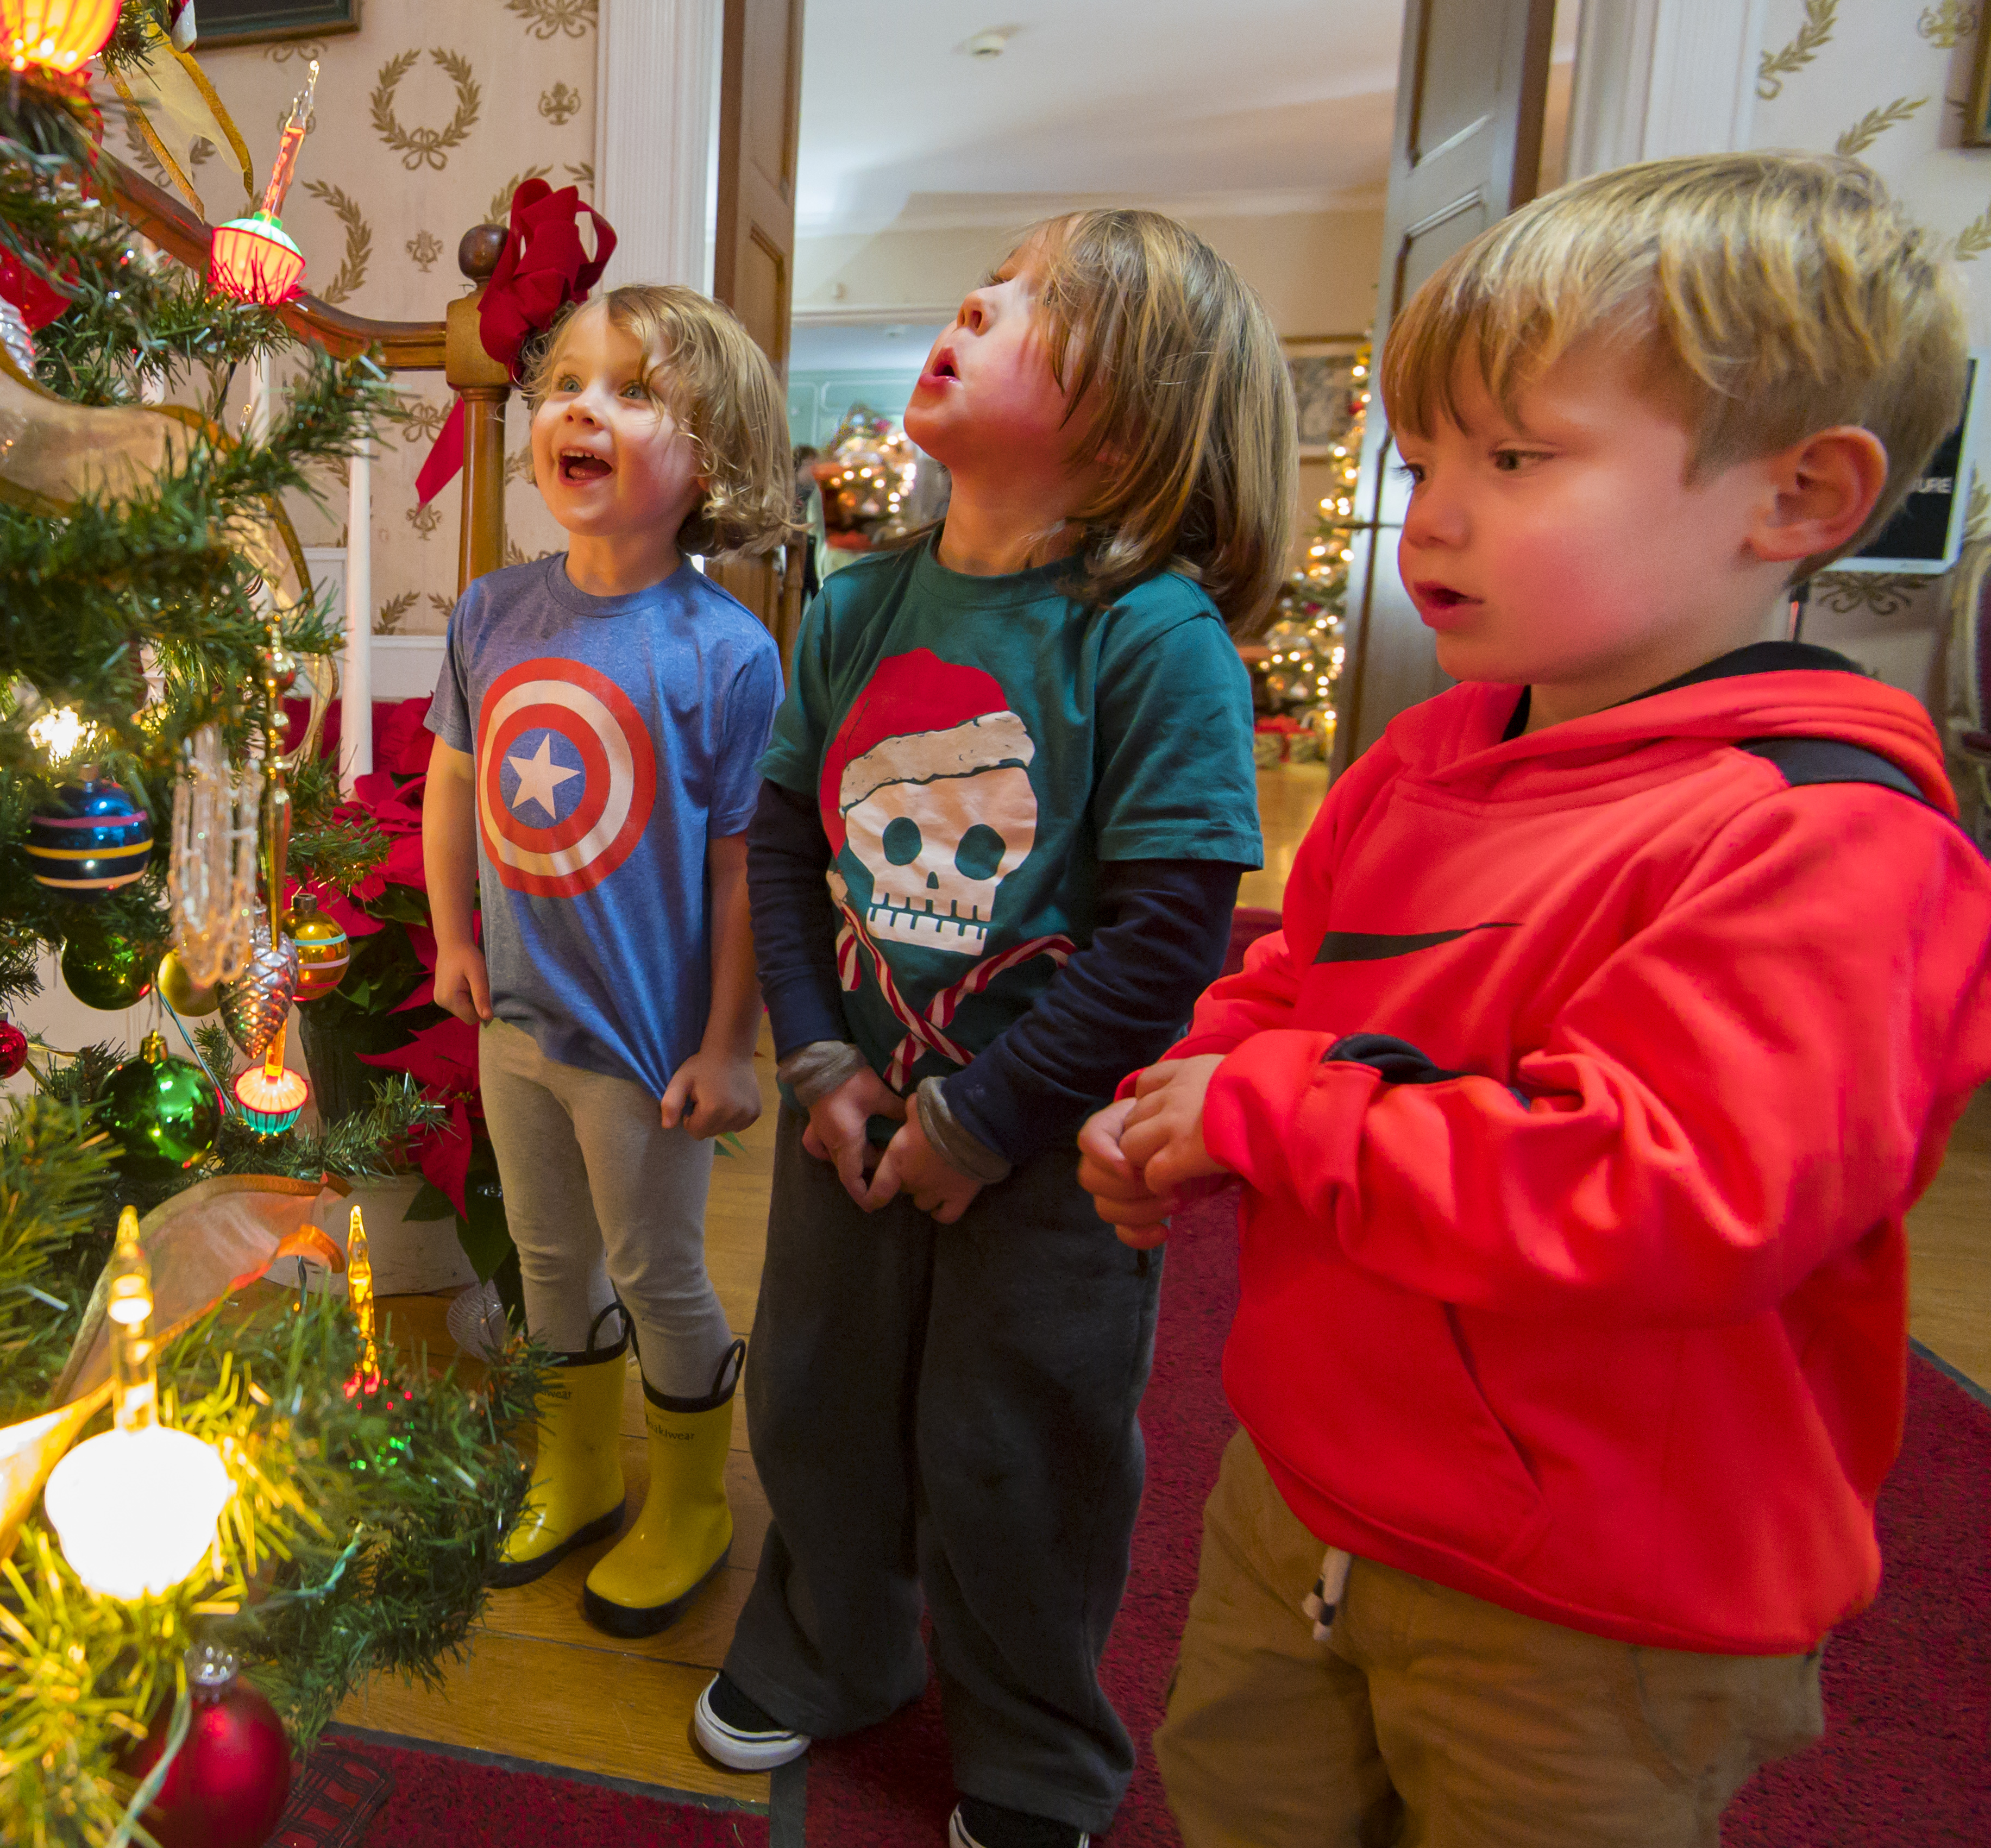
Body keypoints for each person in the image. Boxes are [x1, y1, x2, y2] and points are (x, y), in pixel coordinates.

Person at [1081, 152, 1991, 1845]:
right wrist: (1187, 1093)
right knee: (1236, 1797)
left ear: (1795, 498)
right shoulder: (1427, 757)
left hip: (1590, 1603)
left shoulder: (1834, 846)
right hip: (1308, 1493)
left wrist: (1268, 1109)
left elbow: (1670, 1195)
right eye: (1426, 461)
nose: (1430, 514)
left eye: (1517, 458)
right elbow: (1294, 980)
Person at [695, 210, 1296, 1848]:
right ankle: (831, 1645)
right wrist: (820, 1059)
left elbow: (1170, 927)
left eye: (1036, 303)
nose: (977, 300)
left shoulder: (1155, 638)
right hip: (850, 1113)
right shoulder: (850, 608)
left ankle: (1033, 1747)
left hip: (1047, 1156)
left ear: (1138, 408)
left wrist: (987, 1120)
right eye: (992, 283)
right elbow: (782, 846)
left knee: (1018, 1441)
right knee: (816, 1395)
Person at [425, 284, 794, 1638]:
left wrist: (725, 1043)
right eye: (569, 382)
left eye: (636, 393)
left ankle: (690, 1496)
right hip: (513, 1020)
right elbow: (453, 787)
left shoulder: (727, 653)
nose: (585, 406)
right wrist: (454, 936)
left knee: (657, 1273)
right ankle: (576, 1466)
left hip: (645, 1046)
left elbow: (740, 864)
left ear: (714, 462)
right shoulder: (490, 616)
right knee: (544, 1261)